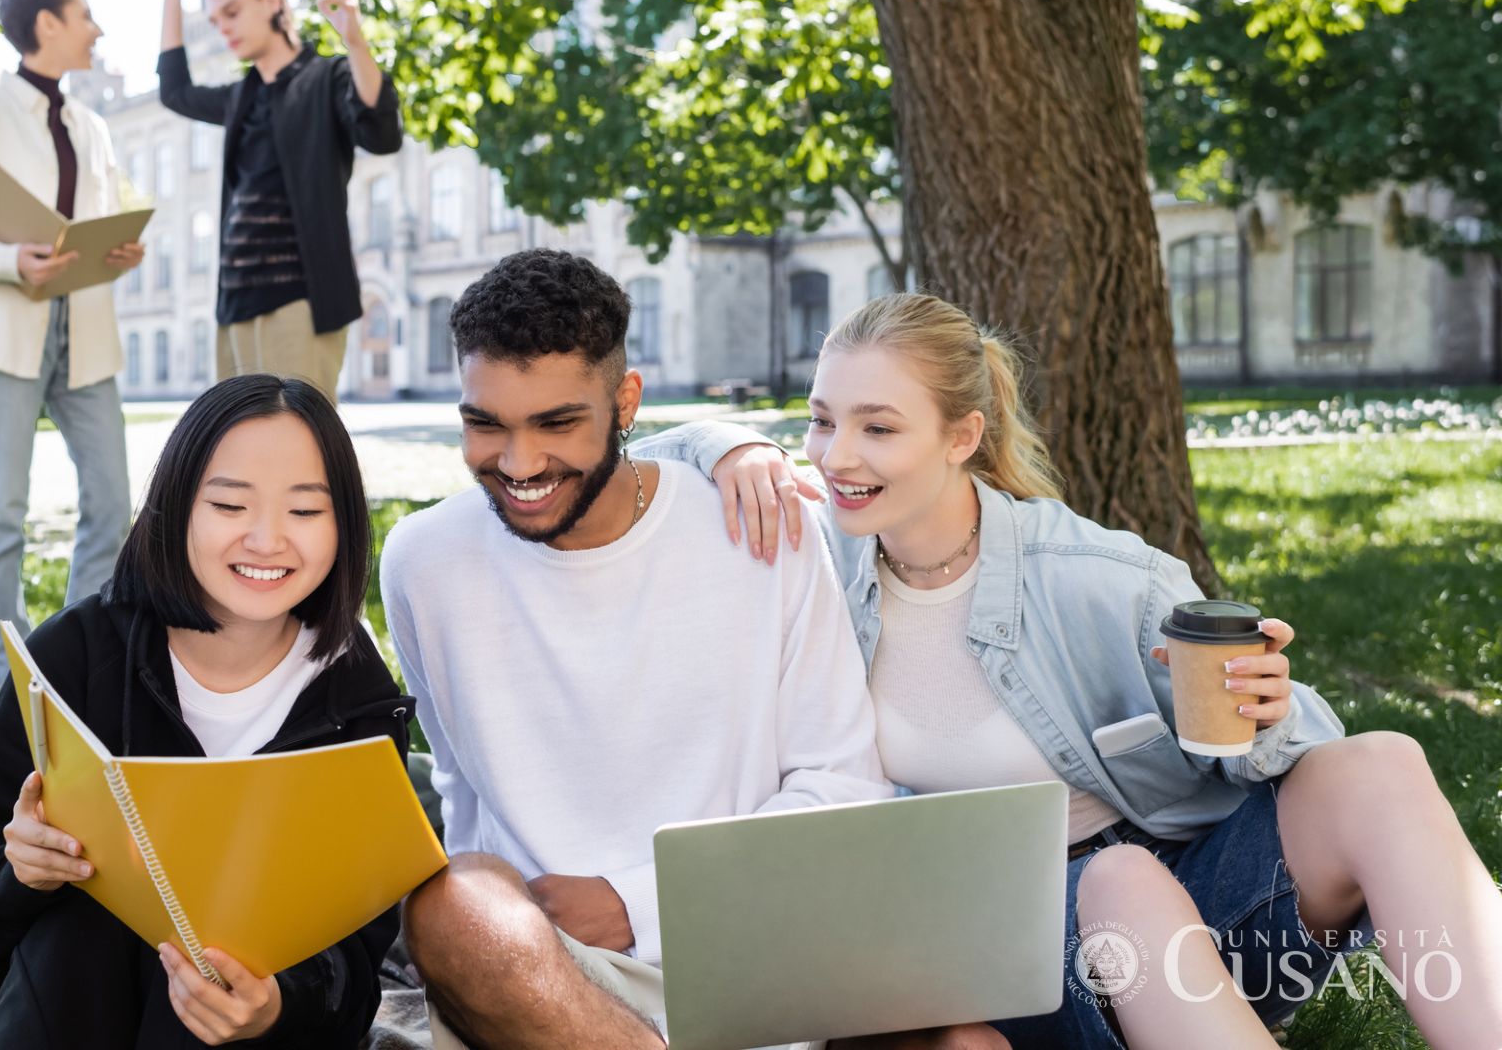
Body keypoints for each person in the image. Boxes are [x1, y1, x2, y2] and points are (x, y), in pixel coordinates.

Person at [635, 292, 1502, 1048]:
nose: (836, 456)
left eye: (879, 427)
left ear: (962, 436)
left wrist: (1272, 713)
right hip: (983, 954)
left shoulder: (1098, 579)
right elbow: (627, 470)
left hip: (1191, 932)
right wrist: (730, 445)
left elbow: (1275, 752)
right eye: (823, 420)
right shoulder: (812, 550)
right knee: (1120, 883)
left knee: (1380, 765)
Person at [379, 249, 899, 1050]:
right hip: (536, 973)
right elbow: (463, 794)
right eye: (486, 425)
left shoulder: (761, 529)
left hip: (742, 943)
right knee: (450, 900)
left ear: (626, 403)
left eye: (556, 423)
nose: (518, 465)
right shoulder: (424, 559)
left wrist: (636, 902)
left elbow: (843, 786)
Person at [0, 375, 416, 1047]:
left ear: (343, 525)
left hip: (237, 1036)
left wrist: (274, 1006)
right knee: (92, 914)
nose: (267, 539)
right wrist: (21, 875)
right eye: (229, 505)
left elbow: (354, 974)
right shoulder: (71, 661)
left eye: (306, 512)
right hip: (72, 1001)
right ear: (176, 508)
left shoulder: (356, 700)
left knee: (216, 956)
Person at [0, 0, 145, 688]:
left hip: (86, 336)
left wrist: (117, 252)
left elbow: (86, 232)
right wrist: (10, 259)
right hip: (5, 335)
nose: (97, 28)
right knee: (3, 508)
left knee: (112, 501)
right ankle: (4, 670)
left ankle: (74, 663)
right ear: (47, 23)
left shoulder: (93, 126)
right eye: (86, 14)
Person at [157, 0, 402, 401]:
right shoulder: (239, 98)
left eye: (232, 12)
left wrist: (355, 42)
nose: (224, 28)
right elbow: (175, 93)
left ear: (273, 2)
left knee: (299, 438)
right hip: (234, 300)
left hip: (299, 298)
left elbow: (381, 134)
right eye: (215, 21)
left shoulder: (327, 78)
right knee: (235, 441)